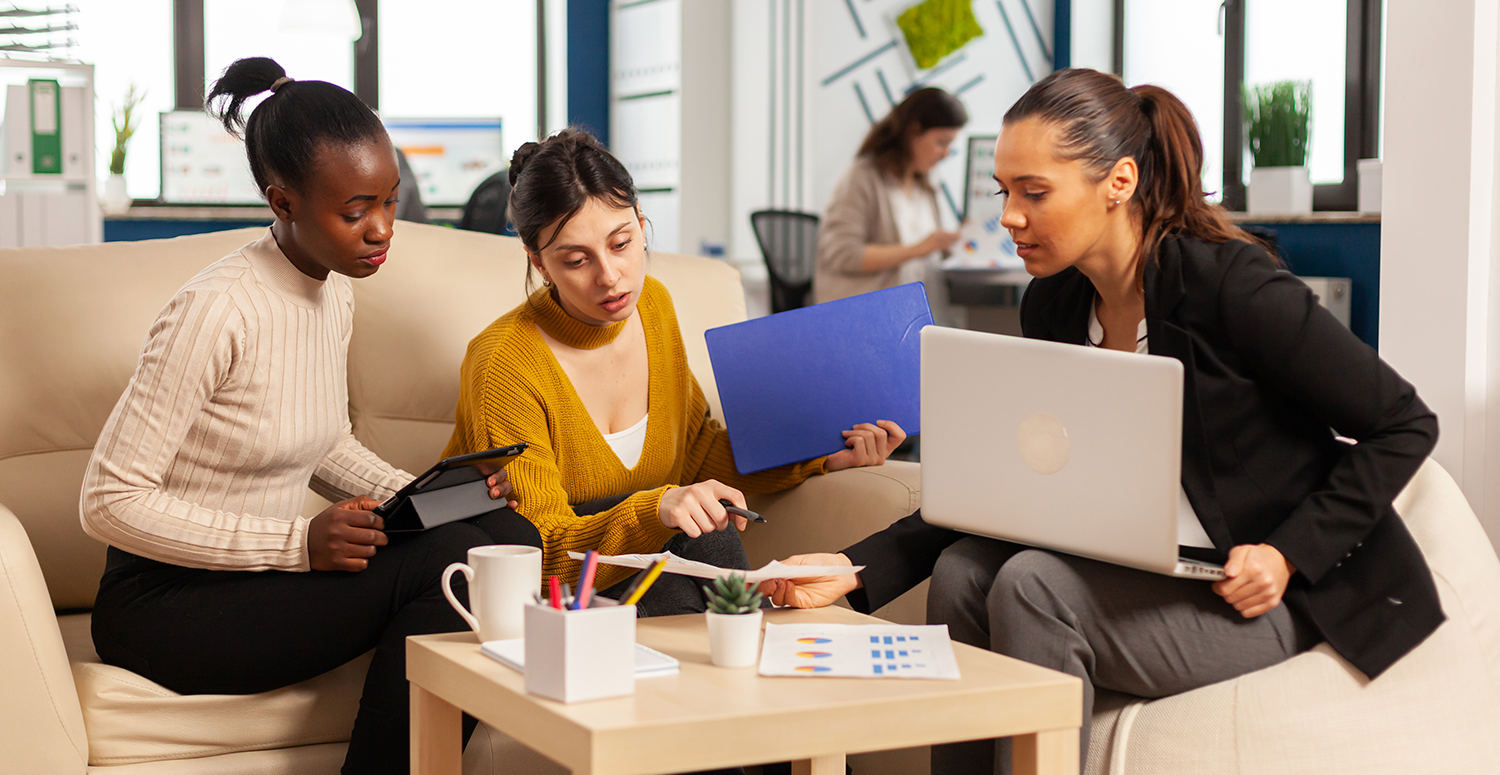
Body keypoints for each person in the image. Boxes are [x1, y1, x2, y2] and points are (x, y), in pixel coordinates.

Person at [763, 68, 1443, 774]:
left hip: (1267, 591)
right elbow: (1001, 479)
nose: (1008, 217)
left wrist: (1287, 552)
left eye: (1034, 192)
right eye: (1004, 191)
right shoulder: (1054, 306)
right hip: (1144, 568)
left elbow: (1404, 421)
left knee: (1031, 583)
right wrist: (853, 564)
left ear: (1118, 181)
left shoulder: (1232, 287)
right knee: (966, 571)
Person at [80, 57, 541, 775]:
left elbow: (322, 439)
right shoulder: (215, 309)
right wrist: (299, 543)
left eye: (389, 201)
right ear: (283, 200)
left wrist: (434, 495)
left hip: (262, 577)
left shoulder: (332, 291)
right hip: (164, 601)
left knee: (506, 534)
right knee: (454, 563)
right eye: (355, 211)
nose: (382, 228)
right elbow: (107, 501)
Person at [443, 129, 906, 616]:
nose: (610, 276)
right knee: (694, 553)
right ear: (538, 263)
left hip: (632, 575)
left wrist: (823, 456)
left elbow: (698, 451)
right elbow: (542, 556)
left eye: (622, 243)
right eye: (577, 260)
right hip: (542, 591)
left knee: (709, 526)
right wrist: (657, 509)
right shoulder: (503, 362)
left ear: (642, 225)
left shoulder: (653, 306)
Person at [814, 86, 967, 323]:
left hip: (916, 319)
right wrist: (918, 248)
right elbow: (844, 254)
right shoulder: (862, 178)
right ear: (913, 132)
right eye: (941, 142)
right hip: (868, 321)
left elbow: (932, 251)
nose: (946, 153)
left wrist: (957, 241)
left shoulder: (924, 186)